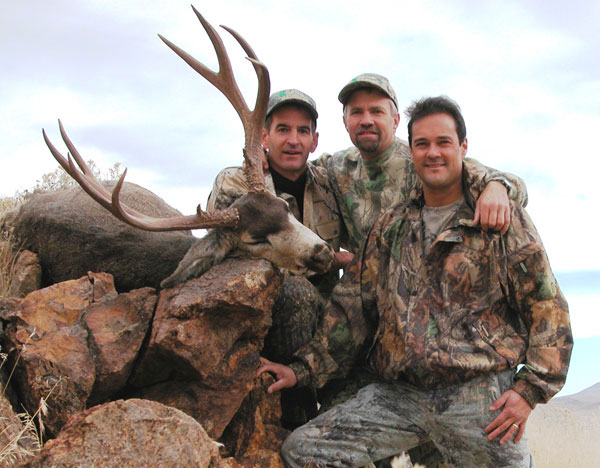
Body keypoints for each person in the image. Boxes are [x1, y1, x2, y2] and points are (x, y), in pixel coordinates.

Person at [258, 96, 572, 467]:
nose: (432, 153)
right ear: (413, 152)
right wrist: (300, 369)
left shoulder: (500, 219)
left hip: (475, 396)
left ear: (463, 148)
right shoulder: (389, 227)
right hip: (398, 395)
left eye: (443, 143)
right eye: (422, 144)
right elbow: (350, 311)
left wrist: (529, 391)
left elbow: (547, 307)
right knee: (303, 451)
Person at [207, 89, 346, 429]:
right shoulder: (237, 182)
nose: (293, 141)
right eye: (282, 130)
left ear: (314, 141)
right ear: (264, 137)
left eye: (303, 131)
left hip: (323, 314)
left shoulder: (330, 182)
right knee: (296, 292)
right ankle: (295, 418)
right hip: (262, 307)